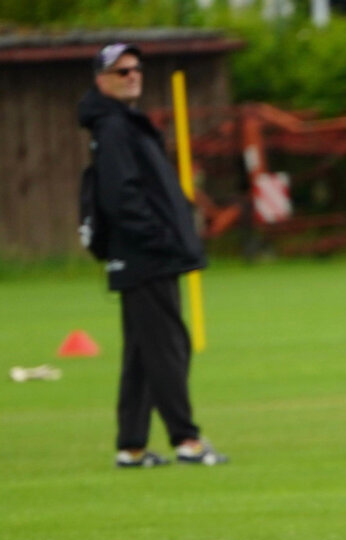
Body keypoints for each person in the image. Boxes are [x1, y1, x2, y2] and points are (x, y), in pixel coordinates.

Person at [77, 43, 228, 468]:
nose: (132, 76)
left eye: (136, 69)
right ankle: (187, 440)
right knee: (168, 347)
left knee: (143, 353)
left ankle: (131, 446)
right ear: (101, 79)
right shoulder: (113, 128)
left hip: (145, 254)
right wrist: (160, 238)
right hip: (145, 256)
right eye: (121, 71)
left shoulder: (121, 123)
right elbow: (121, 197)